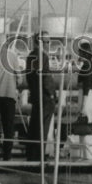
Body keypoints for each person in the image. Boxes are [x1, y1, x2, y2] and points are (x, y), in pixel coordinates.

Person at [24, 32, 57, 162]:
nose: (49, 44)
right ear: (41, 42)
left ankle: (31, 155)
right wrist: (52, 93)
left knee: (35, 125)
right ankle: (39, 156)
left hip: (36, 95)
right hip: (45, 96)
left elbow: (29, 76)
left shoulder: (30, 56)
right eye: (47, 41)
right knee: (43, 126)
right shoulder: (42, 56)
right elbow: (44, 77)